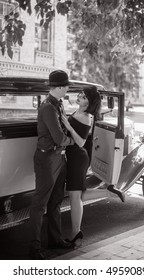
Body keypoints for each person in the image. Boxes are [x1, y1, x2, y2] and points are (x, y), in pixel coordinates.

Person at [29, 70, 75, 260]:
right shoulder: (48, 107)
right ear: (60, 87)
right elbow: (58, 137)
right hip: (48, 159)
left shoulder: (58, 104)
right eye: (66, 86)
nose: (68, 89)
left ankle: (54, 240)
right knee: (40, 203)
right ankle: (34, 247)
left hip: (58, 158)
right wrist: (74, 141)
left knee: (56, 201)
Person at [62, 86, 116, 245]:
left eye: (84, 97)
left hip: (78, 159)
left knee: (75, 197)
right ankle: (76, 231)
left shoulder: (86, 117)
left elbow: (81, 142)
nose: (80, 97)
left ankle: (75, 232)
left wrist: (68, 126)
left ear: (89, 103)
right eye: (80, 94)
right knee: (76, 195)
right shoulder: (78, 112)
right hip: (73, 158)